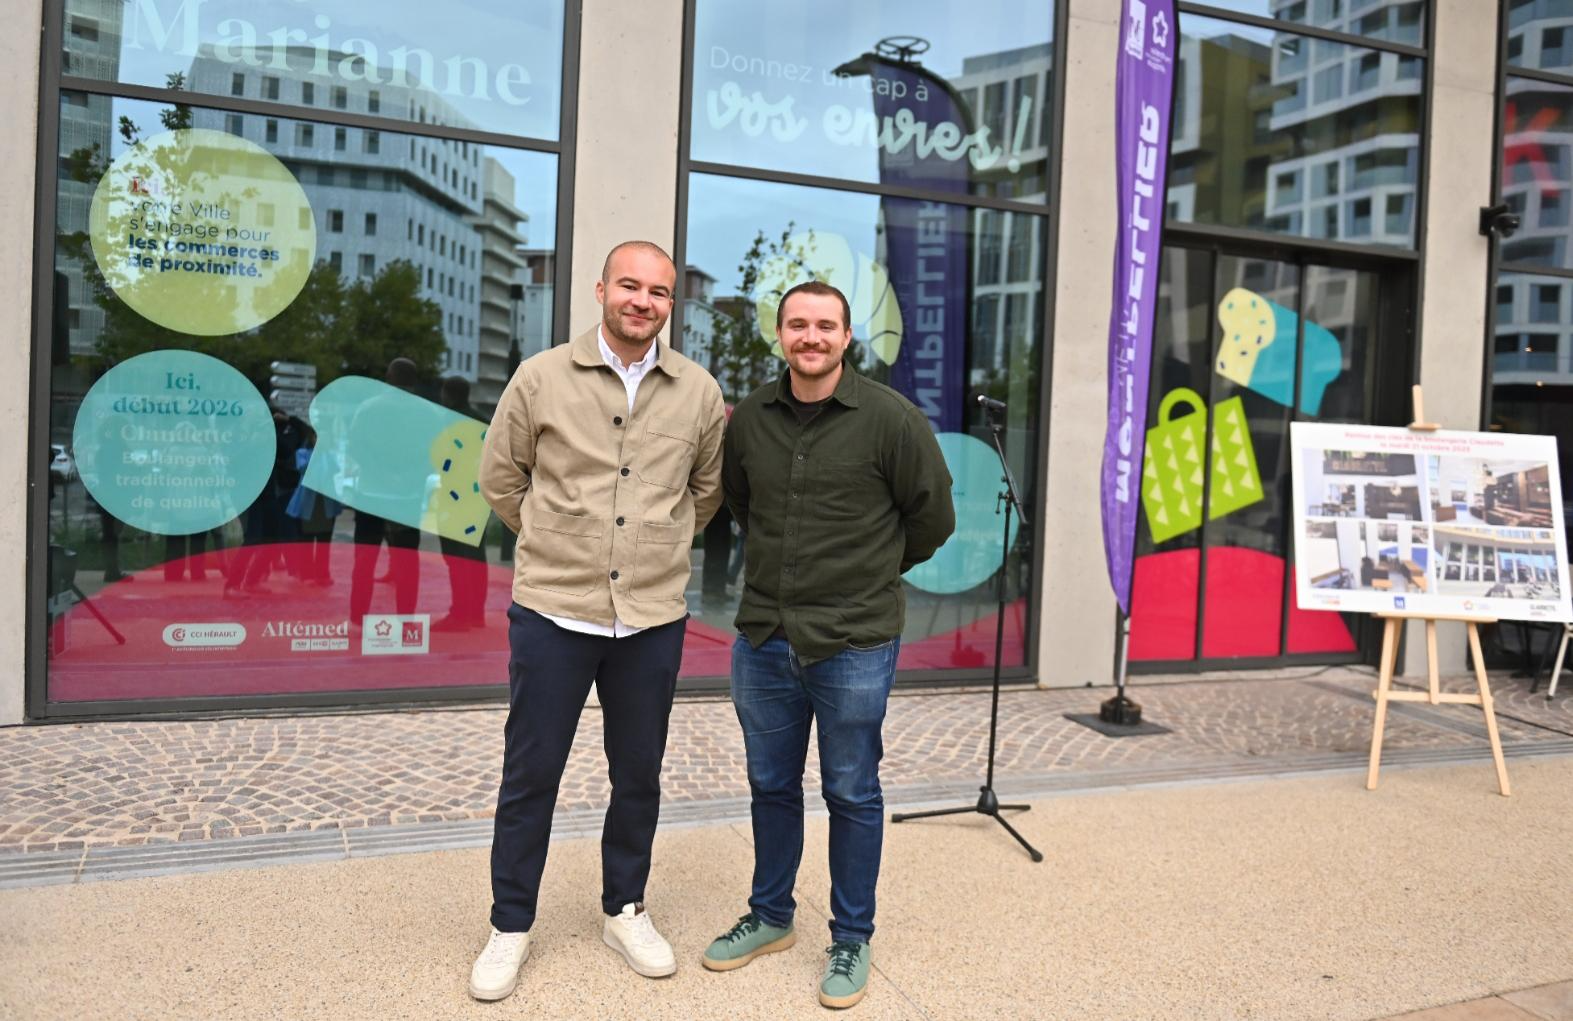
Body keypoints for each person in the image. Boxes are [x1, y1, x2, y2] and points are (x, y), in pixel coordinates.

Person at [470, 241, 726, 1001]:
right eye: (629, 285)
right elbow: (499, 477)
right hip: (554, 610)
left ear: (669, 304)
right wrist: (558, 539)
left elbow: (703, 494)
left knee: (637, 774)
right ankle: (509, 923)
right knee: (531, 775)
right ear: (600, 290)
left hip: (650, 617)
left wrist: (652, 547)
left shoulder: (698, 392)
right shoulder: (540, 376)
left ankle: (624, 907)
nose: (641, 300)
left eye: (657, 291)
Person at [702, 280, 954, 1009]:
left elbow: (931, 516)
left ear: (846, 336)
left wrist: (872, 571)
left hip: (853, 640)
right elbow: (744, 508)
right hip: (764, 636)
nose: (810, 337)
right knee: (770, 784)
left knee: (850, 789)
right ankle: (771, 914)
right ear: (779, 334)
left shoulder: (891, 420)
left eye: (825, 326)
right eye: (797, 325)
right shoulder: (749, 419)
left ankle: (850, 935)